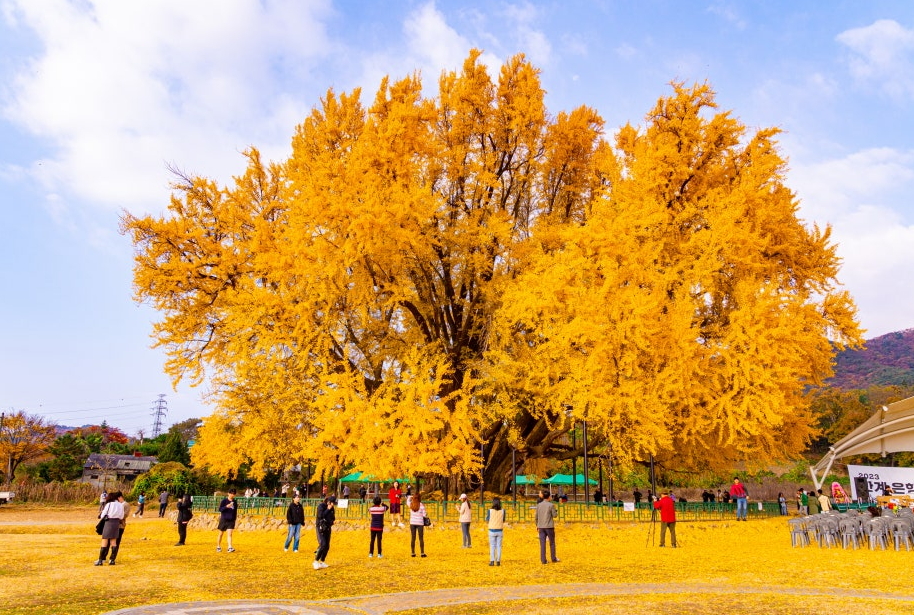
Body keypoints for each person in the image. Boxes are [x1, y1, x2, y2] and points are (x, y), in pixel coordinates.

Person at [95, 490, 124, 566]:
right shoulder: (121, 505)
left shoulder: (109, 504)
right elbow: (121, 516)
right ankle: (112, 560)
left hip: (109, 522)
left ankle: (100, 560)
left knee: (104, 541)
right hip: (116, 523)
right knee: (114, 542)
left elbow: (102, 515)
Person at [535, 490, 559, 564]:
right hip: (549, 526)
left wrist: (537, 525)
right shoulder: (551, 505)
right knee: (552, 542)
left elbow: (536, 517)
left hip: (541, 526)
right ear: (549, 497)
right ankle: (553, 558)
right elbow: (555, 515)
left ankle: (543, 560)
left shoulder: (539, 505)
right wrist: (556, 511)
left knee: (542, 543)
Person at [313, 495, 336, 569]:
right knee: (323, 544)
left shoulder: (332, 508)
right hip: (320, 527)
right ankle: (316, 561)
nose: (333, 505)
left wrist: (332, 522)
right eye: (332, 503)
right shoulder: (321, 506)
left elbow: (332, 517)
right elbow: (320, 516)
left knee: (327, 546)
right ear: (329, 502)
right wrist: (327, 509)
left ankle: (322, 561)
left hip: (328, 528)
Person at [217, 488, 238, 552]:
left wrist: (234, 519)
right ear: (228, 493)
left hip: (231, 520)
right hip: (224, 519)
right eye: (231, 493)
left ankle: (229, 547)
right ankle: (218, 546)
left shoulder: (235, 502)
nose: (232, 495)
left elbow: (235, 511)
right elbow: (220, 509)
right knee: (221, 534)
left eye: (234, 494)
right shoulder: (224, 501)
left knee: (230, 534)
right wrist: (226, 506)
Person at [487, 496, 505, 566]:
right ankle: (498, 561)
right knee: (499, 546)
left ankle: (492, 561)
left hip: (492, 530)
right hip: (500, 530)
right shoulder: (503, 511)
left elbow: (487, 519)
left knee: (492, 546)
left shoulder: (490, 511)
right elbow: (503, 520)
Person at [409, 493, 428, 557]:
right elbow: (424, 515)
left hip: (412, 523)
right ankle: (422, 553)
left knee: (413, 538)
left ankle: (413, 553)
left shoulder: (411, 504)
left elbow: (407, 500)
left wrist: (410, 497)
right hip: (420, 523)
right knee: (421, 538)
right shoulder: (421, 505)